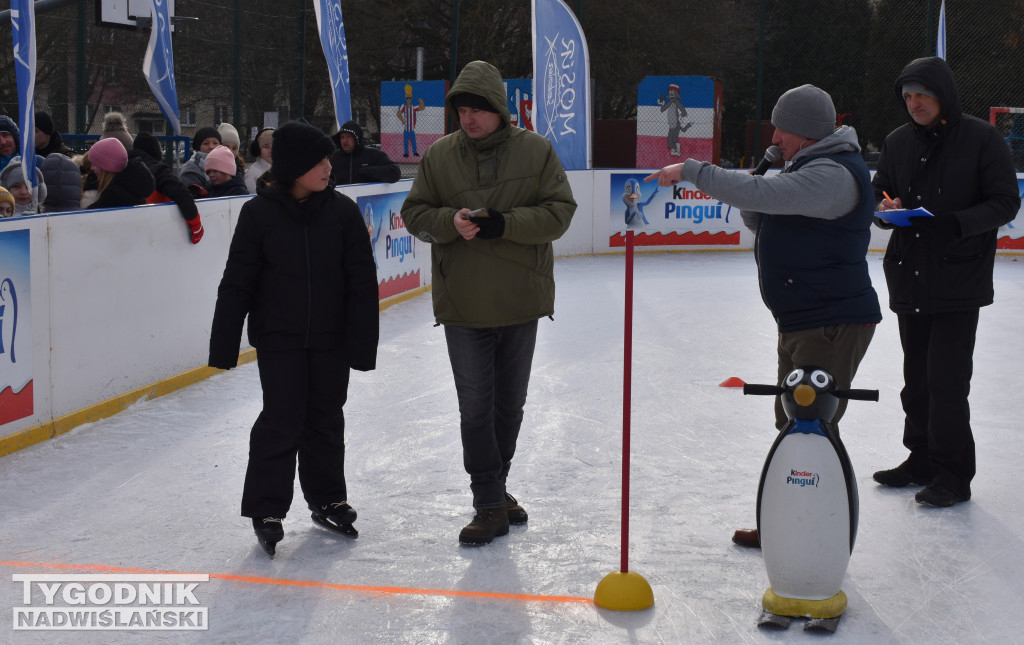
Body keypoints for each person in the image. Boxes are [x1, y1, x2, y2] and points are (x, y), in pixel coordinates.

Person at [646, 84, 881, 548]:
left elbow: (760, 196)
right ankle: (789, 521)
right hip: (802, 318)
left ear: (808, 132)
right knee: (792, 422)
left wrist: (694, 170)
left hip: (831, 321)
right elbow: (761, 215)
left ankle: (816, 533)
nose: (774, 133)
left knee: (812, 427)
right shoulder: (805, 166)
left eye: (782, 126)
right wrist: (762, 186)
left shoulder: (834, 174)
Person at [401, 60, 577, 546]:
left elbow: (560, 214)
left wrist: (505, 223)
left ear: (499, 108)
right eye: (462, 108)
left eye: (478, 108)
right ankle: (488, 503)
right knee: (476, 408)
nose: (469, 117)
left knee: (509, 408)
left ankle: (496, 491)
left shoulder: (536, 151)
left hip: (521, 301)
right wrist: (446, 223)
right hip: (464, 305)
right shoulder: (439, 157)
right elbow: (414, 213)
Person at [208, 121, 379, 555]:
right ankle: (267, 508)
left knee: (324, 417)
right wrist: (223, 344)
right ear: (295, 167)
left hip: (330, 337)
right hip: (279, 336)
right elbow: (238, 281)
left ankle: (327, 498)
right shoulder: (258, 214)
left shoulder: (342, 211)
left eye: (328, 159)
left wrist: (363, 345)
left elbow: (362, 283)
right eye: (319, 161)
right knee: (281, 419)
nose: (328, 166)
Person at [871, 57, 1020, 508]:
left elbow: (1005, 203)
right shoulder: (897, 142)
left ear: (943, 96)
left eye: (923, 95)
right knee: (915, 380)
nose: (914, 104)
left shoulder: (982, 138)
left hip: (959, 278)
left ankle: (953, 474)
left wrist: (955, 224)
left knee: (946, 381)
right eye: (908, 96)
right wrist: (886, 206)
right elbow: (880, 195)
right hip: (909, 274)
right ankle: (920, 460)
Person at [131, 132, 204, 244]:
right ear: (157, 153)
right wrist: (196, 225)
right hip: (151, 231)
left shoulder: (120, 169)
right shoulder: (156, 171)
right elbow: (181, 193)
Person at [85, 138, 155, 210]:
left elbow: (87, 217)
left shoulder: (114, 196)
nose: (91, 168)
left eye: (94, 164)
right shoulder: (131, 187)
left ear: (105, 167)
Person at [329, 120, 400, 185]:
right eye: (342, 137)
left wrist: (367, 171)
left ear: (357, 139)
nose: (345, 140)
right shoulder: (333, 157)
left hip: (367, 198)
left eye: (349, 136)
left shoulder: (373, 154)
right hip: (340, 197)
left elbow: (394, 172)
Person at [179, 126, 222, 198]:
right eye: (206, 143)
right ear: (198, 147)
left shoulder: (227, 165)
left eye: (215, 143)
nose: (211, 146)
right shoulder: (190, 170)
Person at [245, 127, 274, 194]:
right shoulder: (252, 174)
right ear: (258, 149)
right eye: (266, 147)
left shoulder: (284, 170)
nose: (271, 151)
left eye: (275, 146)